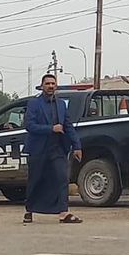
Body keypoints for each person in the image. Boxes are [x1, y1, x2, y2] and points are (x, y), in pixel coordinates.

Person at [23, 74, 82, 224]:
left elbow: (68, 126)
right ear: (42, 86)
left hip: (57, 149)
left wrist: (77, 146)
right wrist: (51, 128)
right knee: (36, 180)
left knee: (62, 178)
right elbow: (30, 126)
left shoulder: (61, 104)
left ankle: (64, 212)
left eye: (53, 83)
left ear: (56, 86)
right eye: (47, 83)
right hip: (38, 149)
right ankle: (29, 210)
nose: (50, 86)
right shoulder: (34, 104)